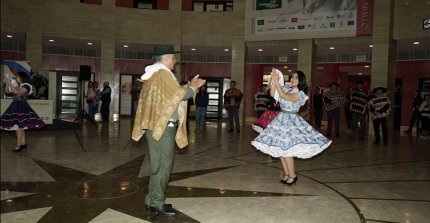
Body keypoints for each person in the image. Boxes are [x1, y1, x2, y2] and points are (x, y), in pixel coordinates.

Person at [131, 45, 205, 216]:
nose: (175, 61)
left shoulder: (153, 75)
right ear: (165, 59)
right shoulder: (163, 74)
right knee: (164, 165)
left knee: (157, 165)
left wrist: (189, 88)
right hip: (164, 127)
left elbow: (172, 96)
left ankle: (151, 200)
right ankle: (157, 202)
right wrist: (194, 86)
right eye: (173, 57)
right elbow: (180, 95)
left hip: (155, 125)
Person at [251, 69, 331, 186]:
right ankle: (288, 174)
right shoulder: (287, 89)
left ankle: (293, 175)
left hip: (291, 122)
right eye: (292, 77)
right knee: (281, 150)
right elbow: (274, 94)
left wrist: (278, 83)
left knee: (287, 151)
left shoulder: (299, 94)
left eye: (296, 77)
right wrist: (274, 79)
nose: (293, 79)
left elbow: (282, 95)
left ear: (301, 81)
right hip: (281, 120)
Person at [0, 72, 46, 152]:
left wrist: (10, 82)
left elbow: (17, 92)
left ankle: (18, 145)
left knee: (19, 127)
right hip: (15, 106)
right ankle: (23, 144)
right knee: (21, 127)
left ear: (22, 78)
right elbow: (7, 91)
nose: (16, 78)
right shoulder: (19, 86)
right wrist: (7, 83)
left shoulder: (27, 86)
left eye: (17, 77)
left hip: (21, 107)